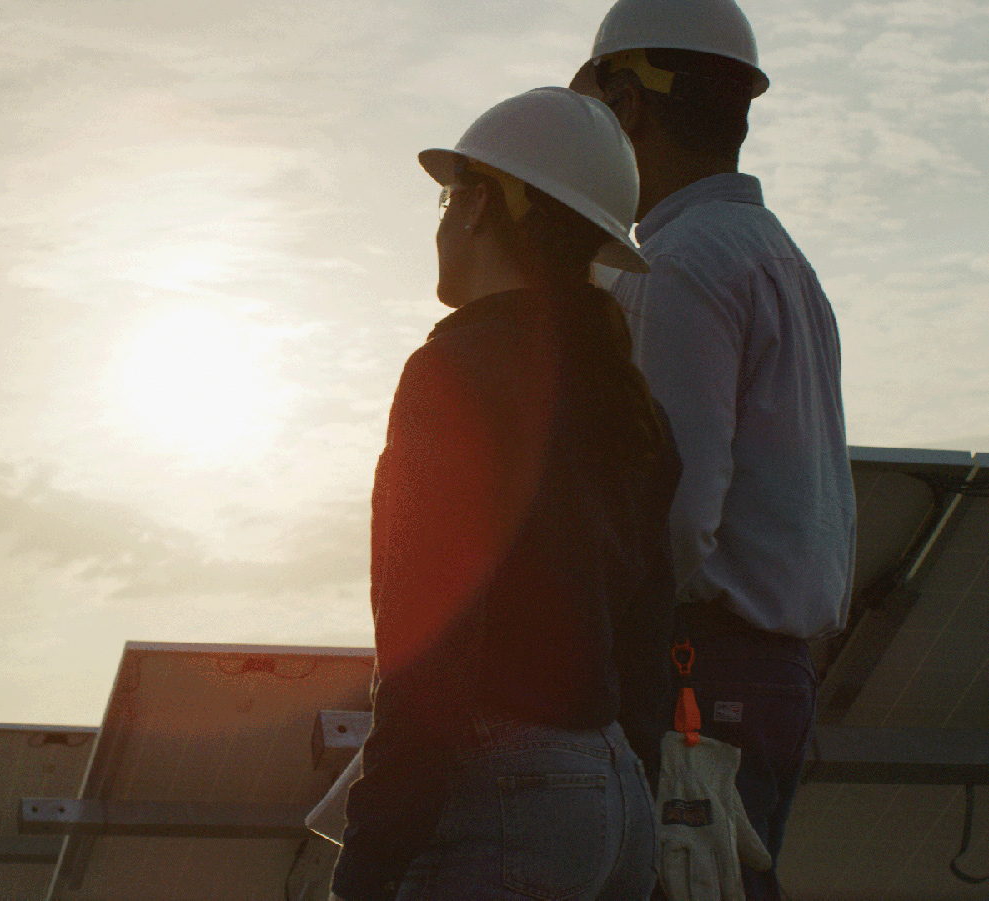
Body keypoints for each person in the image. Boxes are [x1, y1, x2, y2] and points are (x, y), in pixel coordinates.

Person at [331, 87, 680, 901]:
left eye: (450, 195)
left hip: (507, 805)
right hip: (617, 804)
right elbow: (645, 645)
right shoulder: (629, 403)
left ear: (480, 204)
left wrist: (366, 869)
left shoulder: (452, 374)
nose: (442, 220)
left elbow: (427, 653)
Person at [571, 1, 857, 898]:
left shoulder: (682, 263)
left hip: (694, 668)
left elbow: (670, 509)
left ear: (628, 105)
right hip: (763, 675)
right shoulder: (780, 261)